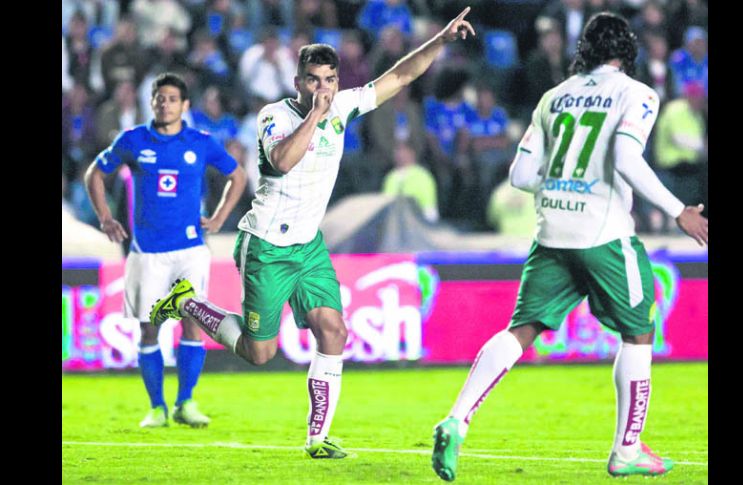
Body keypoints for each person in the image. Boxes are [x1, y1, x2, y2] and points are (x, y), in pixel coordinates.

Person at [149, 7, 477, 459]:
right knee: (257, 352)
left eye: (329, 80)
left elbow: (399, 77)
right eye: (313, 80)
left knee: (333, 330)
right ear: (298, 81)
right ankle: (186, 300)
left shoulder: (342, 105)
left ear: (336, 81)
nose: (322, 89)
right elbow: (281, 162)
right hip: (266, 247)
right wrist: (315, 119)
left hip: (308, 247)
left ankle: (317, 438)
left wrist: (440, 40)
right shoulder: (274, 117)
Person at [430, 12, 707, 481]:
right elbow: (624, 157)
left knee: (521, 330)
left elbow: (519, 176)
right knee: (638, 331)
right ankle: (627, 449)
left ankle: (456, 419)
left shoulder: (552, 97)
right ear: (626, 53)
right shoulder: (637, 93)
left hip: (552, 231)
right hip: (605, 233)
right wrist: (679, 209)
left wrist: (563, 183)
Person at [84, 72, 247, 429]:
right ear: (152, 102)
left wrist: (219, 217)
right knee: (149, 330)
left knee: (192, 323)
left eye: (172, 98)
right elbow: (95, 173)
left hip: (190, 250)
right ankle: (156, 407)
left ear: (185, 105)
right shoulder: (133, 140)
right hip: (146, 251)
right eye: (159, 97)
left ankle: (185, 402)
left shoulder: (201, 142)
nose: (165, 103)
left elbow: (238, 175)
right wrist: (105, 218)